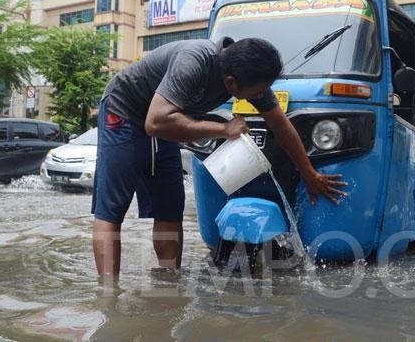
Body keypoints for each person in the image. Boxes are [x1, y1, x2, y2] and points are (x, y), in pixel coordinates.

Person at [92, 37, 347, 279]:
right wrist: (224, 130)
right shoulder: (193, 62)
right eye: (258, 92)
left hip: (166, 120)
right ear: (231, 83)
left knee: (170, 207)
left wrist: (309, 173)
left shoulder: (251, 76)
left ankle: (168, 284)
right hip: (125, 111)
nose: (261, 96)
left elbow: (281, 127)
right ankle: (108, 295)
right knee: (113, 209)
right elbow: (155, 122)